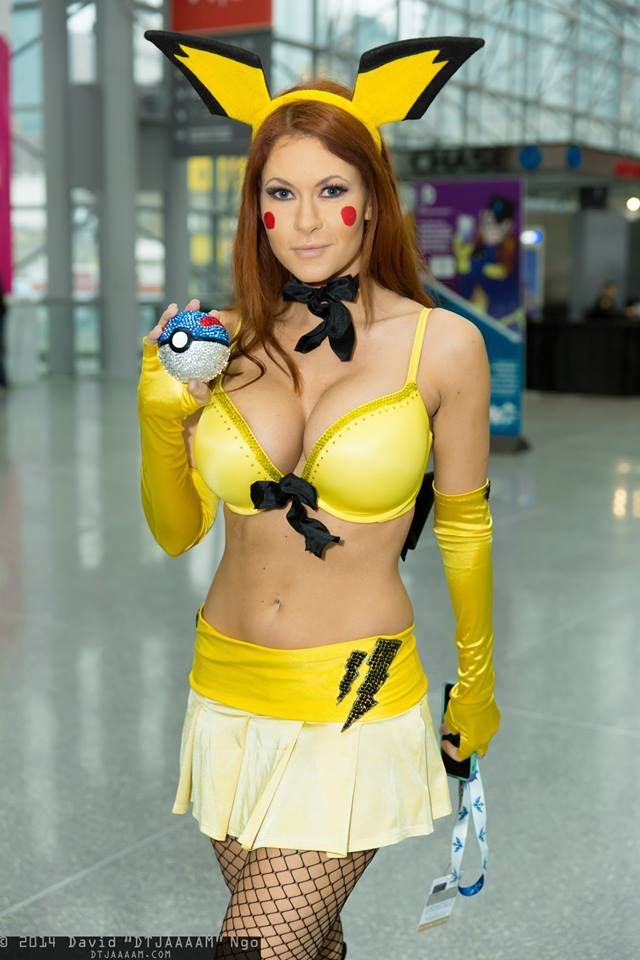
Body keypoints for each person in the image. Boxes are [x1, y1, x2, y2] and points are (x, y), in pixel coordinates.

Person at [138, 31, 500, 960]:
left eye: (330, 190)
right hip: (224, 692)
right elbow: (177, 533)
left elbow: (465, 527)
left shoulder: (442, 345)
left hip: (354, 698)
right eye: (280, 193)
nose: (303, 221)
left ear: (373, 200)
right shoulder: (219, 343)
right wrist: (158, 415)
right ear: (254, 206)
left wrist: (478, 684)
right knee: (313, 946)